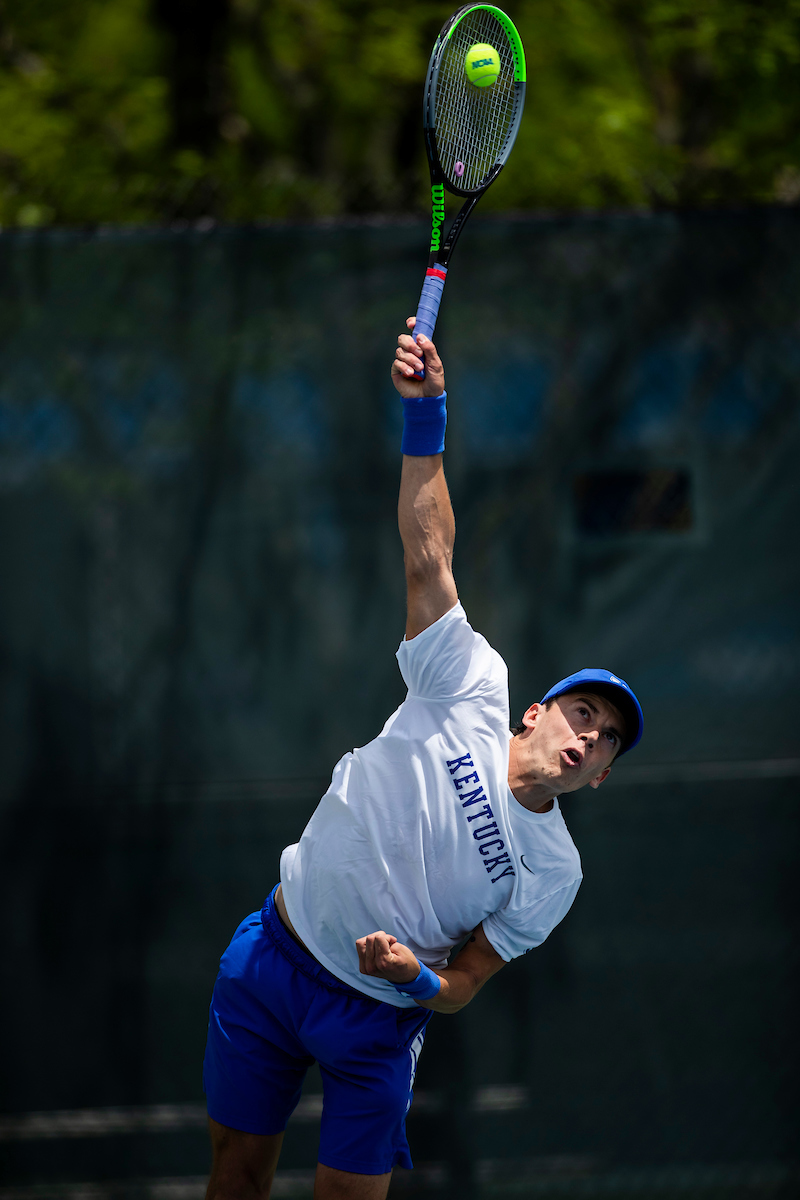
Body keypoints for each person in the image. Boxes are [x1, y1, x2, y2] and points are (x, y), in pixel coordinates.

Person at [203, 320, 644, 1200]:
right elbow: (428, 553)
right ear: (535, 712)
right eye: (583, 713)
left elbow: (467, 981)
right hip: (273, 957)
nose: (590, 735)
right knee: (237, 1176)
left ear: (598, 776)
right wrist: (426, 412)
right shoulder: (470, 682)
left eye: (606, 742)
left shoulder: (554, 870)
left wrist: (417, 977)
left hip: (375, 1020)